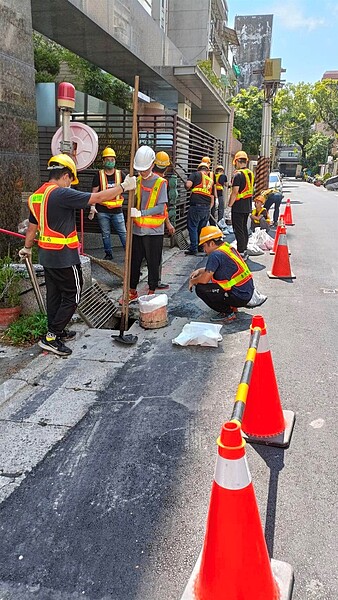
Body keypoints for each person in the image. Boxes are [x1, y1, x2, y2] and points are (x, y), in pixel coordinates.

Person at [19, 154, 136, 356]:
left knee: (55, 295)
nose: (70, 184)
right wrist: (124, 187)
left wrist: (27, 248)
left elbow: (32, 227)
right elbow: (98, 198)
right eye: (70, 180)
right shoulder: (61, 194)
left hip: (46, 255)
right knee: (73, 294)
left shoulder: (36, 196)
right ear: (65, 175)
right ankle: (52, 337)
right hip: (64, 256)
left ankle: (55, 331)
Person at [188, 226, 267, 322]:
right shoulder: (227, 248)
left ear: (212, 243)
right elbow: (218, 268)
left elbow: (204, 279)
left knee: (200, 288)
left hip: (239, 296)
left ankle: (227, 312)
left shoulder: (215, 255)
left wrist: (193, 281)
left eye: (204, 246)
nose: (204, 250)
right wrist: (199, 271)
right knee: (215, 285)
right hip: (246, 292)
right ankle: (232, 306)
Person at [126, 145, 168, 303]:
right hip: (137, 230)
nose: (142, 172)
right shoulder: (136, 181)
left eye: (144, 169)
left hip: (154, 231)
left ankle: (151, 291)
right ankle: (131, 291)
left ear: (152, 165)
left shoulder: (160, 183)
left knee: (153, 262)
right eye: (139, 169)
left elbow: (160, 206)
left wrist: (141, 213)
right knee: (134, 261)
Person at [89, 146, 127, 260]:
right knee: (106, 234)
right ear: (103, 161)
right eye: (108, 160)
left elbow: (128, 188)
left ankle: (130, 254)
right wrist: (92, 207)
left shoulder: (121, 174)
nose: (110, 162)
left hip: (117, 210)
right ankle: (108, 254)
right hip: (102, 210)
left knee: (123, 234)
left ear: (115, 161)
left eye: (112, 160)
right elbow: (94, 192)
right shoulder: (98, 175)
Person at [153, 151, 176, 290]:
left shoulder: (142, 179)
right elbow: (163, 207)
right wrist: (168, 223)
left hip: (140, 225)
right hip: (156, 226)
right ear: (166, 167)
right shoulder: (162, 182)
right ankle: (155, 282)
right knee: (156, 256)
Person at [228, 151, 254, 260]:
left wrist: (229, 205)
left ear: (238, 161)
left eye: (236, 162)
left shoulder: (237, 174)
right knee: (243, 228)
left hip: (238, 206)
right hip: (247, 205)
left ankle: (241, 252)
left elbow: (235, 192)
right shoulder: (250, 173)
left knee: (238, 229)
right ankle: (244, 250)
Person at [185, 162, 214, 256]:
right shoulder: (210, 181)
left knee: (193, 227)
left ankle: (194, 248)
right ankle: (201, 247)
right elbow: (212, 196)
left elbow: (188, 185)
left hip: (196, 206)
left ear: (199, 169)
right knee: (201, 229)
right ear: (207, 170)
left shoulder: (195, 174)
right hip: (206, 207)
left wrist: (187, 186)